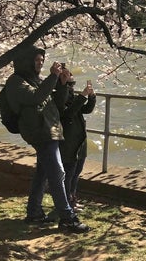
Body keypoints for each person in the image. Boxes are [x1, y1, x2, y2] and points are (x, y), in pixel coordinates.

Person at [5, 45, 90, 233]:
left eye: (42, 61)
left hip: (50, 130)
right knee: (58, 173)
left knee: (42, 173)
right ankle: (67, 218)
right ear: (25, 61)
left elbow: (57, 105)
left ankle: (34, 213)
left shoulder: (38, 80)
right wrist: (52, 77)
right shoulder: (16, 82)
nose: (40, 63)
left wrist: (62, 84)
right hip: (39, 133)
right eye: (36, 60)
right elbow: (36, 98)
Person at [54, 70, 96, 212]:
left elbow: (86, 109)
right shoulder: (58, 98)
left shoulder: (71, 98)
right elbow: (68, 114)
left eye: (73, 83)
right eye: (69, 83)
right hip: (68, 144)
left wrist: (91, 96)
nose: (71, 87)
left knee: (76, 173)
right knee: (69, 174)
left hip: (79, 143)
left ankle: (72, 199)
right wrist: (82, 96)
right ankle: (67, 204)